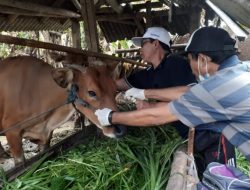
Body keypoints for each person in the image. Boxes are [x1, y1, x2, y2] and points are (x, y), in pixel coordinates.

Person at [95, 27, 250, 164]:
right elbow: (192, 94)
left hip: (209, 136)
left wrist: (110, 117)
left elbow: (161, 114)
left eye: (189, 60)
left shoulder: (212, 85)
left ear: (202, 59)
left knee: (218, 177)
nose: (190, 67)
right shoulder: (242, 70)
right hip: (197, 135)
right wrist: (145, 95)